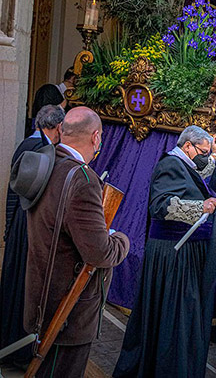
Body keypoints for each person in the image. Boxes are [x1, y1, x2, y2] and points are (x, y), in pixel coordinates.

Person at [18, 107, 130, 378]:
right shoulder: (82, 178)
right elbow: (100, 252)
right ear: (95, 137)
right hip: (67, 310)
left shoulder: (49, 162)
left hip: (42, 297)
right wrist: (120, 239)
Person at [114, 125, 216, 378]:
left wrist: (214, 156)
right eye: (203, 152)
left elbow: (197, 176)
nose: (205, 156)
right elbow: (161, 206)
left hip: (181, 251)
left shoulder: (182, 163)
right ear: (187, 146)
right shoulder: (169, 165)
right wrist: (200, 208)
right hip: (172, 254)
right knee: (172, 314)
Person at [0, 105, 65, 367]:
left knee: (14, 284)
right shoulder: (41, 149)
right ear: (58, 127)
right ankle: (18, 353)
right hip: (28, 227)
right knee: (24, 289)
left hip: (19, 225)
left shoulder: (27, 144)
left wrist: (8, 227)